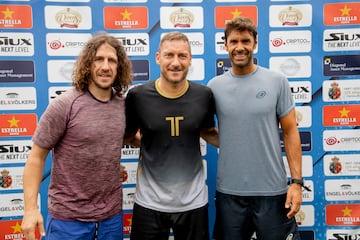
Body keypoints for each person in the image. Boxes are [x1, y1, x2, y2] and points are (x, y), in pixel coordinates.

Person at [21, 33, 133, 240]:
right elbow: (36, 158)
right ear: (88, 64)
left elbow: (128, 137)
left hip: (111, 218)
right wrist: (30, 209)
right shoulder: (65, 104)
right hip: (69, 220)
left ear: (119, 68)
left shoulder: (124, 106)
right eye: (99, 59)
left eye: (112, 60)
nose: (106, 66)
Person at [208, 17, 303, 240]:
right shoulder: (214, 87)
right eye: (234, 41)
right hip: (229, 193)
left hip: (273, 192)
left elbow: (290, 132)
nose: (240, 47)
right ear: (225, 45)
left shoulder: (277, 81)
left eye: (245, 41)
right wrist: (234, 141)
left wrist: (297, 183)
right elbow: (204, 129)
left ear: (255, 43)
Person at [125, 31, 218, 240]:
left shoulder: (204, 95)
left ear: (190, 59)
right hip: (149, 203)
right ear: (158, 57)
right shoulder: (138, 96)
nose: (175, 62)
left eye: (182, 56)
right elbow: (128, 136)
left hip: (193, 203)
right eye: (169, 55)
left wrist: (248, 143)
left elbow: (208, 132)